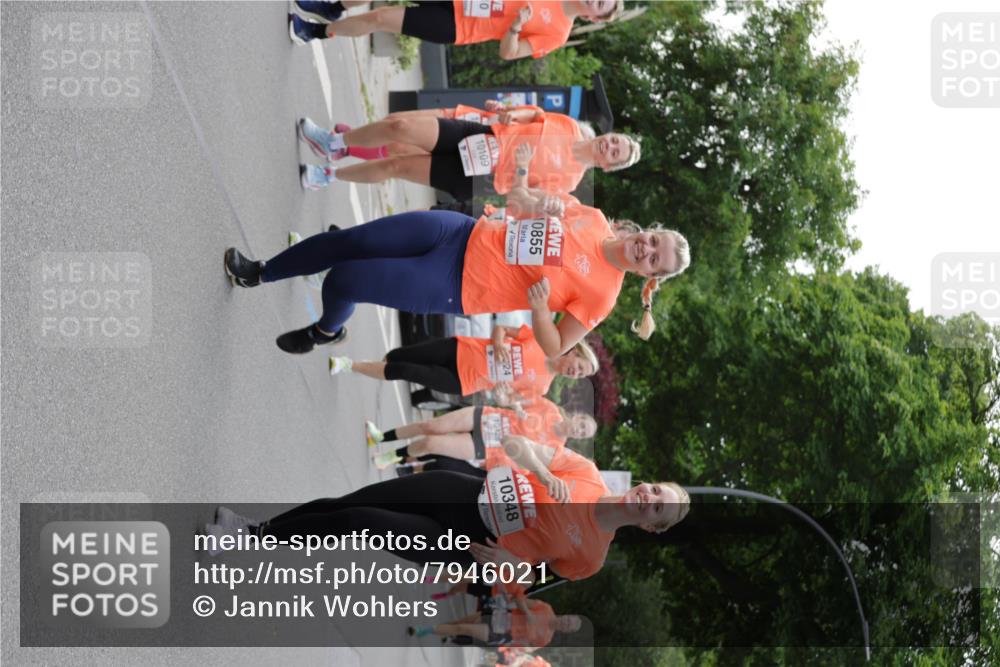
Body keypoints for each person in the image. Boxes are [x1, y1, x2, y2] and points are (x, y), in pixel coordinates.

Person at [223, 145, 690, 356]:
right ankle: (260, 271)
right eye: (655, 240)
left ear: (650, 276)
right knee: (354, 240)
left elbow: (555, 348)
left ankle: (325, 331)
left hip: (458, 285)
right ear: (651, 230)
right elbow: (518, 203)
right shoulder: (593, 217)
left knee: (346, 279)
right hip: (461, 232)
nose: (646, 249)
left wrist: (540, 312)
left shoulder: (602, 296)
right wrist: (535, 197)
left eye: (654, 259)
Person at [207, 435, 691, 584]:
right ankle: (256, 529)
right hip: (464, 493)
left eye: (657, 510)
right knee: (349, 504)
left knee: (359, 523)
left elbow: (532, 578)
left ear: (653, 528)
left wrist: (511, 565)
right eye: (655, 491)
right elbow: (517, 445)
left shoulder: (592, 558)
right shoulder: (584, 470)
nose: (648, 499)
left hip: (465, 547)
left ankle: (246, 537)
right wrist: (544, 475)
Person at [296, 105, 640, 199]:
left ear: (608, 166)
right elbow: (533, 115)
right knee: (400, 128)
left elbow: (522, 197)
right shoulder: (567, 125)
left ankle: (328, 175)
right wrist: (509, 114)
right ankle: (333, 143)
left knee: (396, 166)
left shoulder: (569, 182)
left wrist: (521, 168)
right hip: (481, 136)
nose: (610, 145)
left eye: (615, 153)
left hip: (479, 176)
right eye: (615, 141)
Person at [328, 324, 596, 409]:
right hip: (460, 349)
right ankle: (373, 366)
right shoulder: (540, 340)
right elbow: (501, 329)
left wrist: (502, 394)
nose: (575, 373)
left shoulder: (542, 387)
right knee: (399, 356)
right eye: (579, 367)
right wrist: (499, 345)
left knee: (407, 371)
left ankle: (350, 365)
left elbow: (507, 400)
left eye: (580, 375)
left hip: (464, 380)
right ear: (574, 352)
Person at [289, 0, 624, 61]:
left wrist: (516, 27)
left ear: (596, 18)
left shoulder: (558, 34)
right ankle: (333, 7)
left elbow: (509, 53)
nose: (594, 0)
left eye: (600, 4)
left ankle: (315, 32)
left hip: (459, 25)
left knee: (381, 18)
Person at [365, 394, 598, 469]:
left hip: (489, 447)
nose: (578, 430)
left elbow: (523, 463)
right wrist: (515, 406)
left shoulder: (555, 449)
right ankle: (380, 437)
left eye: (582, 433)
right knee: (431, 426)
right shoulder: (549, 408)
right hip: (487, 417)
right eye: (582, 425)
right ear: (578, 416)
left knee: (431, 444)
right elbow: (515, 398)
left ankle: (393, 456)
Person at [408, 594, 580, 649]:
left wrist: (515, 642)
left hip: (501, 633)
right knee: (459, 622)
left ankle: (425, 630)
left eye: (568, 626)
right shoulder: (545, 609)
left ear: (565, 631)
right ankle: (438, 629)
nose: (565, 623)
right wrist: (527, 613)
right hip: (499, 616)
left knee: (463, 628)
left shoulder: (545, 639)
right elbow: (520, 599)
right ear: (565, 615)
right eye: (567, 620)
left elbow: (523, 647)